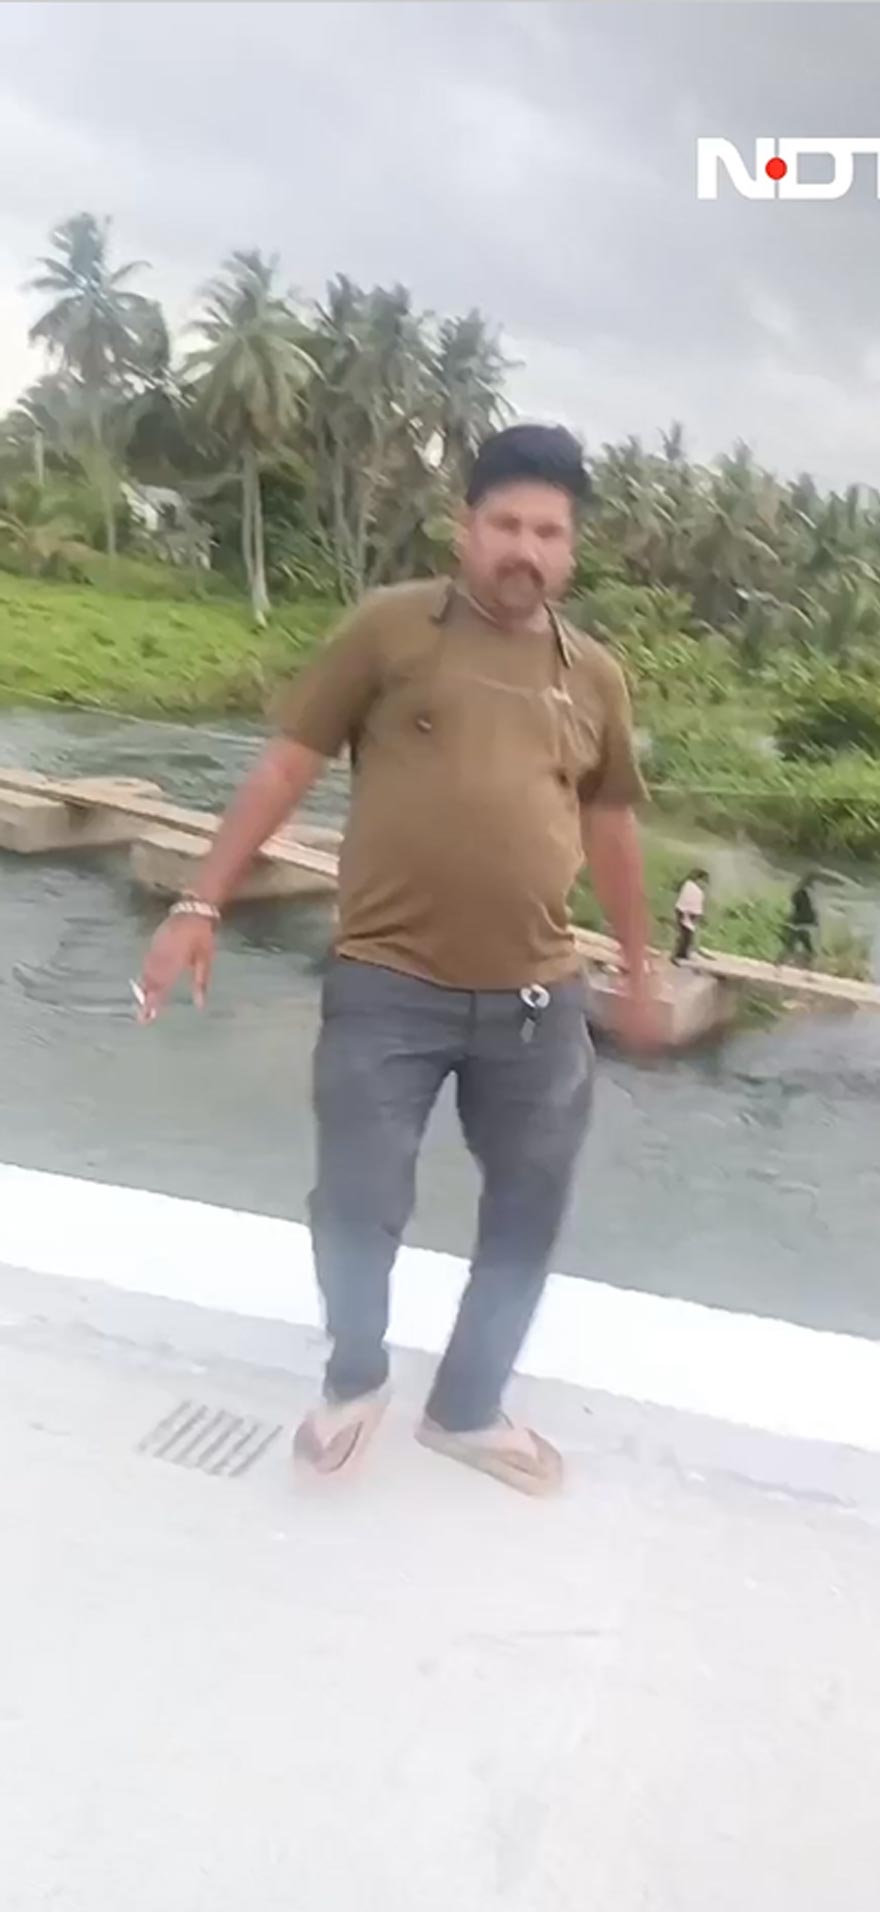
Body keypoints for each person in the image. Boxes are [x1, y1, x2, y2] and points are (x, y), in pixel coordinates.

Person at [136, 422, 661, 1496]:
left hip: (536, 999)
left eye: (548, 532)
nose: (525, 548)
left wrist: (641, 969)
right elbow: (285, 768)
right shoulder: (388, 630)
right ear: (467, 529)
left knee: (527, 1208)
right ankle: (354, 1379)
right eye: (505, 524)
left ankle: (467, 1409)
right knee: (356, 1198)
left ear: (573, 548)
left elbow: (610, 829)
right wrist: (200, 901)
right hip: (388, 982)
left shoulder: (596, 677)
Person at [779, 873, 819, 965]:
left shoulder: (800, 894)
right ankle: (810, 958)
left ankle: (783, 960)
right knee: (802, 939)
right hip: (806, 922)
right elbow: (810, 910)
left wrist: (789, 919)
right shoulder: (808, 894)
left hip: (800, 922)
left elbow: (796, 909)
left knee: (793, 941)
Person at [671, 868, 708, 964]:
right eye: (704, 881)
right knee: (685, 935)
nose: (704, 884)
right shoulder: (693, 888)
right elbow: (691, 903)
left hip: (684, 911)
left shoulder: (689, 886)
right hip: (686, 912)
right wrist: (694, 915)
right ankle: (679, 955)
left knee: (686, 935)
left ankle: (682, 954)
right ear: (699, 879)